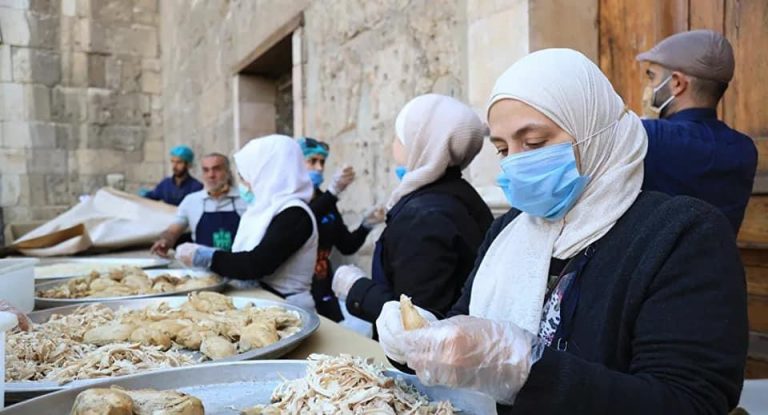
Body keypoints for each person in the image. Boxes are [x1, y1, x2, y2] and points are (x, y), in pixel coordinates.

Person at [376, 49, 748, 414]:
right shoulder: (508, 230)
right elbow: (465, 323)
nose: (516, 163)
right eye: (503, 149)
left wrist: (525, 370)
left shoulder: (683, 235)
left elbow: (689, 401)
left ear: (594, 131)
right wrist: (421, 342)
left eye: (534, 143)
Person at [332, 94, 493, 327]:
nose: (393, 144)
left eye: (399, 137)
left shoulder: (424, 217)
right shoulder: (458, 194)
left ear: (421, 144)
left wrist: (357, 289)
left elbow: (419, 324)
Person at [175, 135, 318, 310]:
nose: (244, 184)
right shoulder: (265, 208)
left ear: (268, 174)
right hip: (264, 301)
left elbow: (257, 264)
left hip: (288, 307)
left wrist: (206, 256)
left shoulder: (295, 214)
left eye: (246, 177)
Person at [636, 29, 757, 232]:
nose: (649, 87)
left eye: (652, 77)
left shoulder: (651, 137)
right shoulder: (745, 150)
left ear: (677, 83)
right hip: (723, 253)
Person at [297, 137, 386, 322]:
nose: (319, 168)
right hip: (297, 290)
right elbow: (301, 222)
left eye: (322, 162)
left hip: (322, 286)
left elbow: (346, 245)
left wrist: (366, 225)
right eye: (312, 161)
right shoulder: (290, 200)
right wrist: (332, 193)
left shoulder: (326, 200)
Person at [150, 153, 247, 256]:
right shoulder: (191, 201)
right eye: (206, 170)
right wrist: (165, 241)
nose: (211, 175)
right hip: (203, 264)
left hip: (238, 262)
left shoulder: (245, 199)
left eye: (216, 169)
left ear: (227, 172)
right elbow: (173, 231)